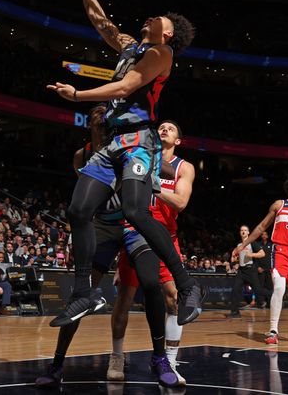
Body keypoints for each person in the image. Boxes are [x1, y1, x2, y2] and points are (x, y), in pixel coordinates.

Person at [46, 0, 200, 327]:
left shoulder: (162, 53)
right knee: (78, 209)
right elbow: (103, 24)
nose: (149, 17)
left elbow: (125, 86)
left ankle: (188, 285)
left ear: (169, 32)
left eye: (158, 17)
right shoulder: (132, 47)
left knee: (135, 210)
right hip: (115, 142)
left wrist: (77, 95)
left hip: (139, 141)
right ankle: (84, 292)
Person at [36, 105, 178, 389]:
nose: (102, 118)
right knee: (78, 297)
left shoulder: (136, 145)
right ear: (89, 123)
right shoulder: (83, 155)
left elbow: (164, 169)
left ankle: (160, 358)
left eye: (106, 113)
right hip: (103, 226)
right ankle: (57, 364)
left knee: (151, 286)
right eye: (97, 115)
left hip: (133, 225)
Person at [107, 120, 195, 385]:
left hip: (165, 236)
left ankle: (170, 360)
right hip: (134, 234)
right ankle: (117, 357)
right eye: (161, 127)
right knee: (124, 298)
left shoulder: (184, 167)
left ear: (178, 140)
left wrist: (153, 184)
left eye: (171, 128)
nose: (164, 129)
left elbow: (180, 202)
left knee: (173, 299)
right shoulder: (138, 157)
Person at [232, 174, 288, 344]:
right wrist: (243, 245)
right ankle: (273, 331)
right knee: (279, 288)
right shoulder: (279, 205)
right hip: (279, 251)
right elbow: (261, 227)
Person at [228, 225, 270, 318]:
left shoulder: (253, 243)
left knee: (258, 290)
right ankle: (235, 312)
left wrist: (251, 254)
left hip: (250, 270)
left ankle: (273, 294)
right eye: (241, 230)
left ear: (248, 232)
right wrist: (234, 258)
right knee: (235, 289)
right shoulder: (239, 244)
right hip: (241, 271)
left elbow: (262, 254)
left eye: (245, 230)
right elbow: (234, 256)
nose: (243, 232)